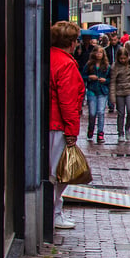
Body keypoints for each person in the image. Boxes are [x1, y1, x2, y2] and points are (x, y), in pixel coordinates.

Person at [49, 21, 86, 229]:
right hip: (58, 124)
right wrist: (72, 130)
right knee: (58, 171)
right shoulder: (66, 64)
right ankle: (54, 212)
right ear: (72, 43)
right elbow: (68, 100)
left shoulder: (48, 57)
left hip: (49, 121)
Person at [109, 47, 130, 142]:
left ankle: (127, 128)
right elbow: (112, 82)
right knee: (121, 113)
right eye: (121, 58)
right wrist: (112, 96)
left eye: (124, 58)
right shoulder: (115, 66)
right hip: (119, 91)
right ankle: (120, 132)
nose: (123, 60)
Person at [82, 45, 111, 144]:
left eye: (101, 52)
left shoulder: (107, 66)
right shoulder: (89, 64)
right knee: (92, 113)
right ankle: (91, 129)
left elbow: (111, 79)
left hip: (102, 91)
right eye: (97, 52)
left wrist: (106, 80)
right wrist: (90, 77)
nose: (99, 54)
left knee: (101, 112)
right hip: (92, 91)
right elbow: (83, 76)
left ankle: (100, 132)